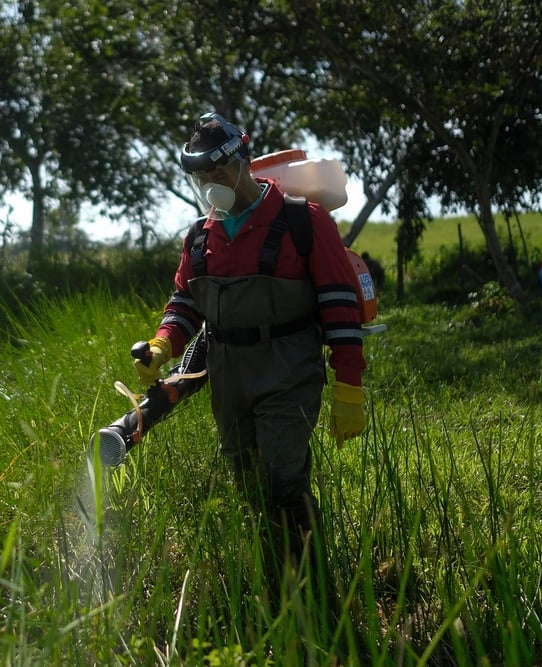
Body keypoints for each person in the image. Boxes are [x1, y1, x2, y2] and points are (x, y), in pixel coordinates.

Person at [132, 112, 367, 603]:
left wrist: (349, 384)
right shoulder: (200, 236)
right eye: (201, 178)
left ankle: (315, 593)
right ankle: (279, 586)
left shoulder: (302, 220)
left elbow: (340, 305)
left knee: (285, 479)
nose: (211, 185)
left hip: (288, 369)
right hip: (229, 376)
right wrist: (161, 346)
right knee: (251, 487)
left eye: (218, 173)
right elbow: (185, 303)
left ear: (243, 163)